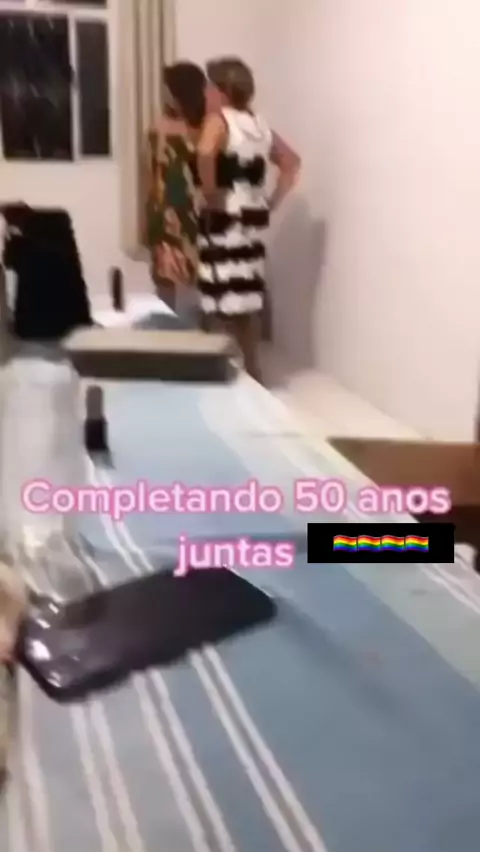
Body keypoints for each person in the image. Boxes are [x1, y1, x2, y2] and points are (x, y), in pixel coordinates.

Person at [196, 57, 301, 380]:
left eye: (209, 86)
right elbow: (291, 162)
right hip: (250, 216)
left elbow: (204, 152)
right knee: (245, 295)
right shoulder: (259, 125)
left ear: (221, 90)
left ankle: (215, 367)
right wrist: (270, 202)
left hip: (224, 216)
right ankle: (253, 369)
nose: (205, 92)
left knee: (219, 295)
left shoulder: (219, 121)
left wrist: (210, 194)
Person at [144, 62, 206, 310]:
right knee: (164, 277)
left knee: (195, 274)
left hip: (191, 206)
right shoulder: (161, 123)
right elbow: (152, 169)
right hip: (163, 205)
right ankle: (166, 323)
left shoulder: (206, 127)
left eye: (168, 89)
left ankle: (196, 324)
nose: (165, 95)